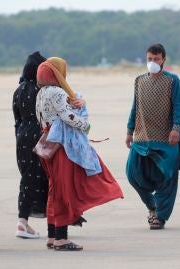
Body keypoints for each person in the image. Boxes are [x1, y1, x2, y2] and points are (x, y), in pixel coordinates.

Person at [35, 57, 123, 251]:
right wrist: (86, 125)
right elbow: (68, 116)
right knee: (65, 190)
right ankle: (61, 239)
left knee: (54, 189)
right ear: (57, 73)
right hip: (62, 146)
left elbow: (49, 117)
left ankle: (52, 235)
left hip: (48, 143)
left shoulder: (41, 93)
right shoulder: (58, 91)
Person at [125, 43, 180, 230]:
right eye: (149, 59)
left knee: (167, 176)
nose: (152, 62)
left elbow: (179, 106)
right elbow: (135, 108)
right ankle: (152, 206)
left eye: (156, 59)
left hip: (166, 138)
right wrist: (129, 131)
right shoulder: (139, 80)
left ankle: (160, 216)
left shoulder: (172, 80)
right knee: (132, 174)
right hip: (141, 137)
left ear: (163, 59)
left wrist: (176, 128)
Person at [12, 51, 48, 238]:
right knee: (50, 177)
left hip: (22, 138)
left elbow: (16, 118)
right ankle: (56, 224)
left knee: (27, 178)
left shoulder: (18, 90)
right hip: (41, 136)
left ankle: (23, 221)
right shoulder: (43, 90)